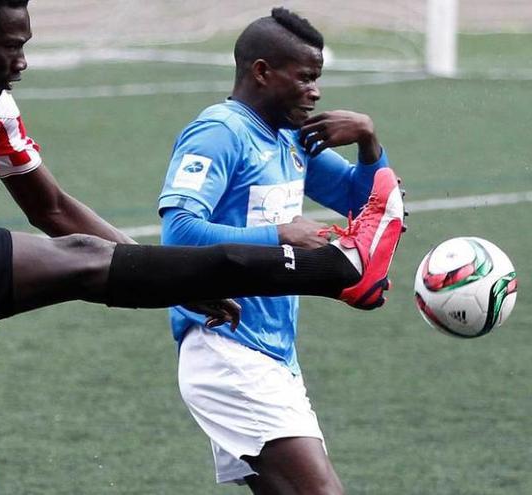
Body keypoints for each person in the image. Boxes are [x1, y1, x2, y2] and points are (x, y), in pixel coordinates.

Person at [0, 1, 405, 493]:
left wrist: (174, 281)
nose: (22, 61)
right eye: (12, 47)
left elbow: (52, 206)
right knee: (76, 261)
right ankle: (333, 268)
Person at [158, 8, 402, 494]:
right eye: (306, 78)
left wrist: (369, 142)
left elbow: (367, 201)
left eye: (319, 79)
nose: (316, 92)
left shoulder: (291, 139)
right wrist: (279, 234)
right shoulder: (220, 132)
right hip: (227, 349)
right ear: (262, 72)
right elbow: (179, 233)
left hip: (272, 353)